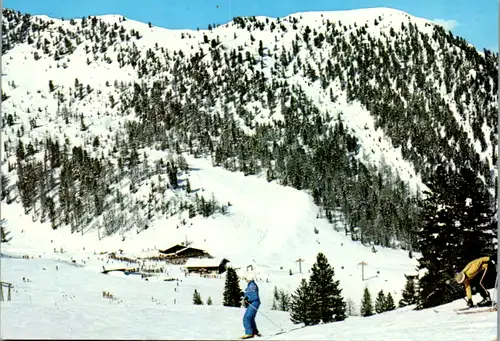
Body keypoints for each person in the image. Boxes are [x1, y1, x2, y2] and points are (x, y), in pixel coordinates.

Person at [240, 271, 261, 339]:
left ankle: (249, 333)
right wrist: (244, 294)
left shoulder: (252, 285)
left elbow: (254, 296)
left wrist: (247, 299)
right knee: (250, 318)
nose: (245, 279)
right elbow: (249, 294)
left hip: (254, 303)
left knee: (246, 318)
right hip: (253, 302)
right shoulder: (250, 285)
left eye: (246, 278)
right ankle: (255, 331)